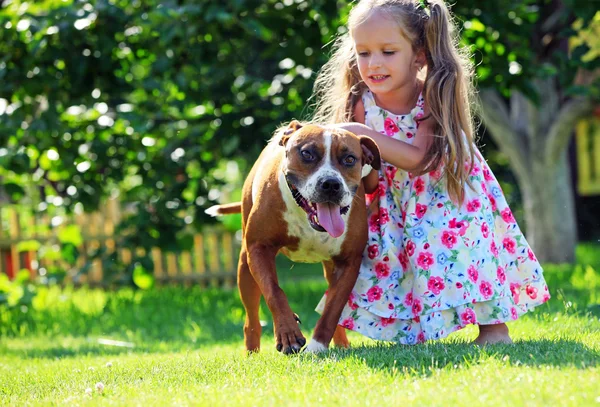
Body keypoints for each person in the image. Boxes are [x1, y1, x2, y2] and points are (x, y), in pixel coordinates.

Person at [313, 0, 550, 345]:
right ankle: (417, 331)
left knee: (465, 252)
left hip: (446, 192)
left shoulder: (431, 92)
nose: (374, 63)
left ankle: (494, 330)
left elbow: (420, 159)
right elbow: (370, 174)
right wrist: (366, 174)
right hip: (395, 198)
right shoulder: (362, 101)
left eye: (388, 51)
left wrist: (360, 133)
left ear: (419, 55)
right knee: (399, 256)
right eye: (363, 53)